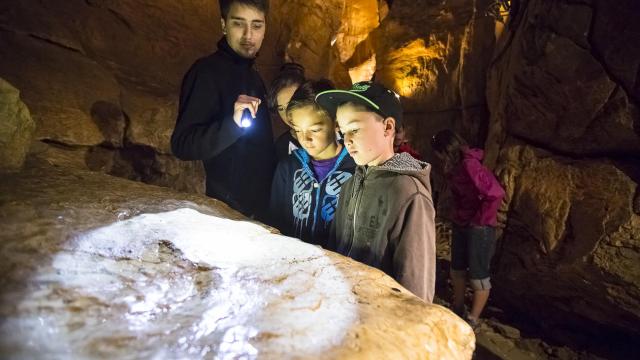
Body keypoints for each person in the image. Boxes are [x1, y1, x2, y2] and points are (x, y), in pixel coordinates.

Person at [316, 81, 436, 303]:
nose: (347, 140)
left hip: (382, 320)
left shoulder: (409, 194)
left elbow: (417, 287)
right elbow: (334, 252)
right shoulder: (349, 187)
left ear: (388, 128)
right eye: (342, 132)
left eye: (354, 129)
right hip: (343, 309)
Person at [171, 0, 275, 221]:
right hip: (228, 212)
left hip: (261, 210)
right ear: (223, 24)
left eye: (257, 25)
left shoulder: (253, 75)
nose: (249, 35)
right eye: (239, 24)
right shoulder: (206, 73)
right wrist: (233, 125)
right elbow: (183, 144)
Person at [431, 129, 505, 328]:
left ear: (446, 151)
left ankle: (472, 318)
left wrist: (480, 219)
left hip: (478, 227)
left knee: (478, 274)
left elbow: (495, 193)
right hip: (464, 222)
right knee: (457, 267)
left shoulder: (469, 165)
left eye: (439, 153)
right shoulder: (455, 167)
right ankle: (458, 306)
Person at [269, 80, 356, 247]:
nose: (305, 139)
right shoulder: (288, 167)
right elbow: (276, 221)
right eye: (298, 130)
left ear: (336, 123)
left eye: (315, 130)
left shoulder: (356, 169)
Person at [267, 63, 306, 162]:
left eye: (291, 104)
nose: (287, 114)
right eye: (281, 109)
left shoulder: (337, 133)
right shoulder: (281, 146)